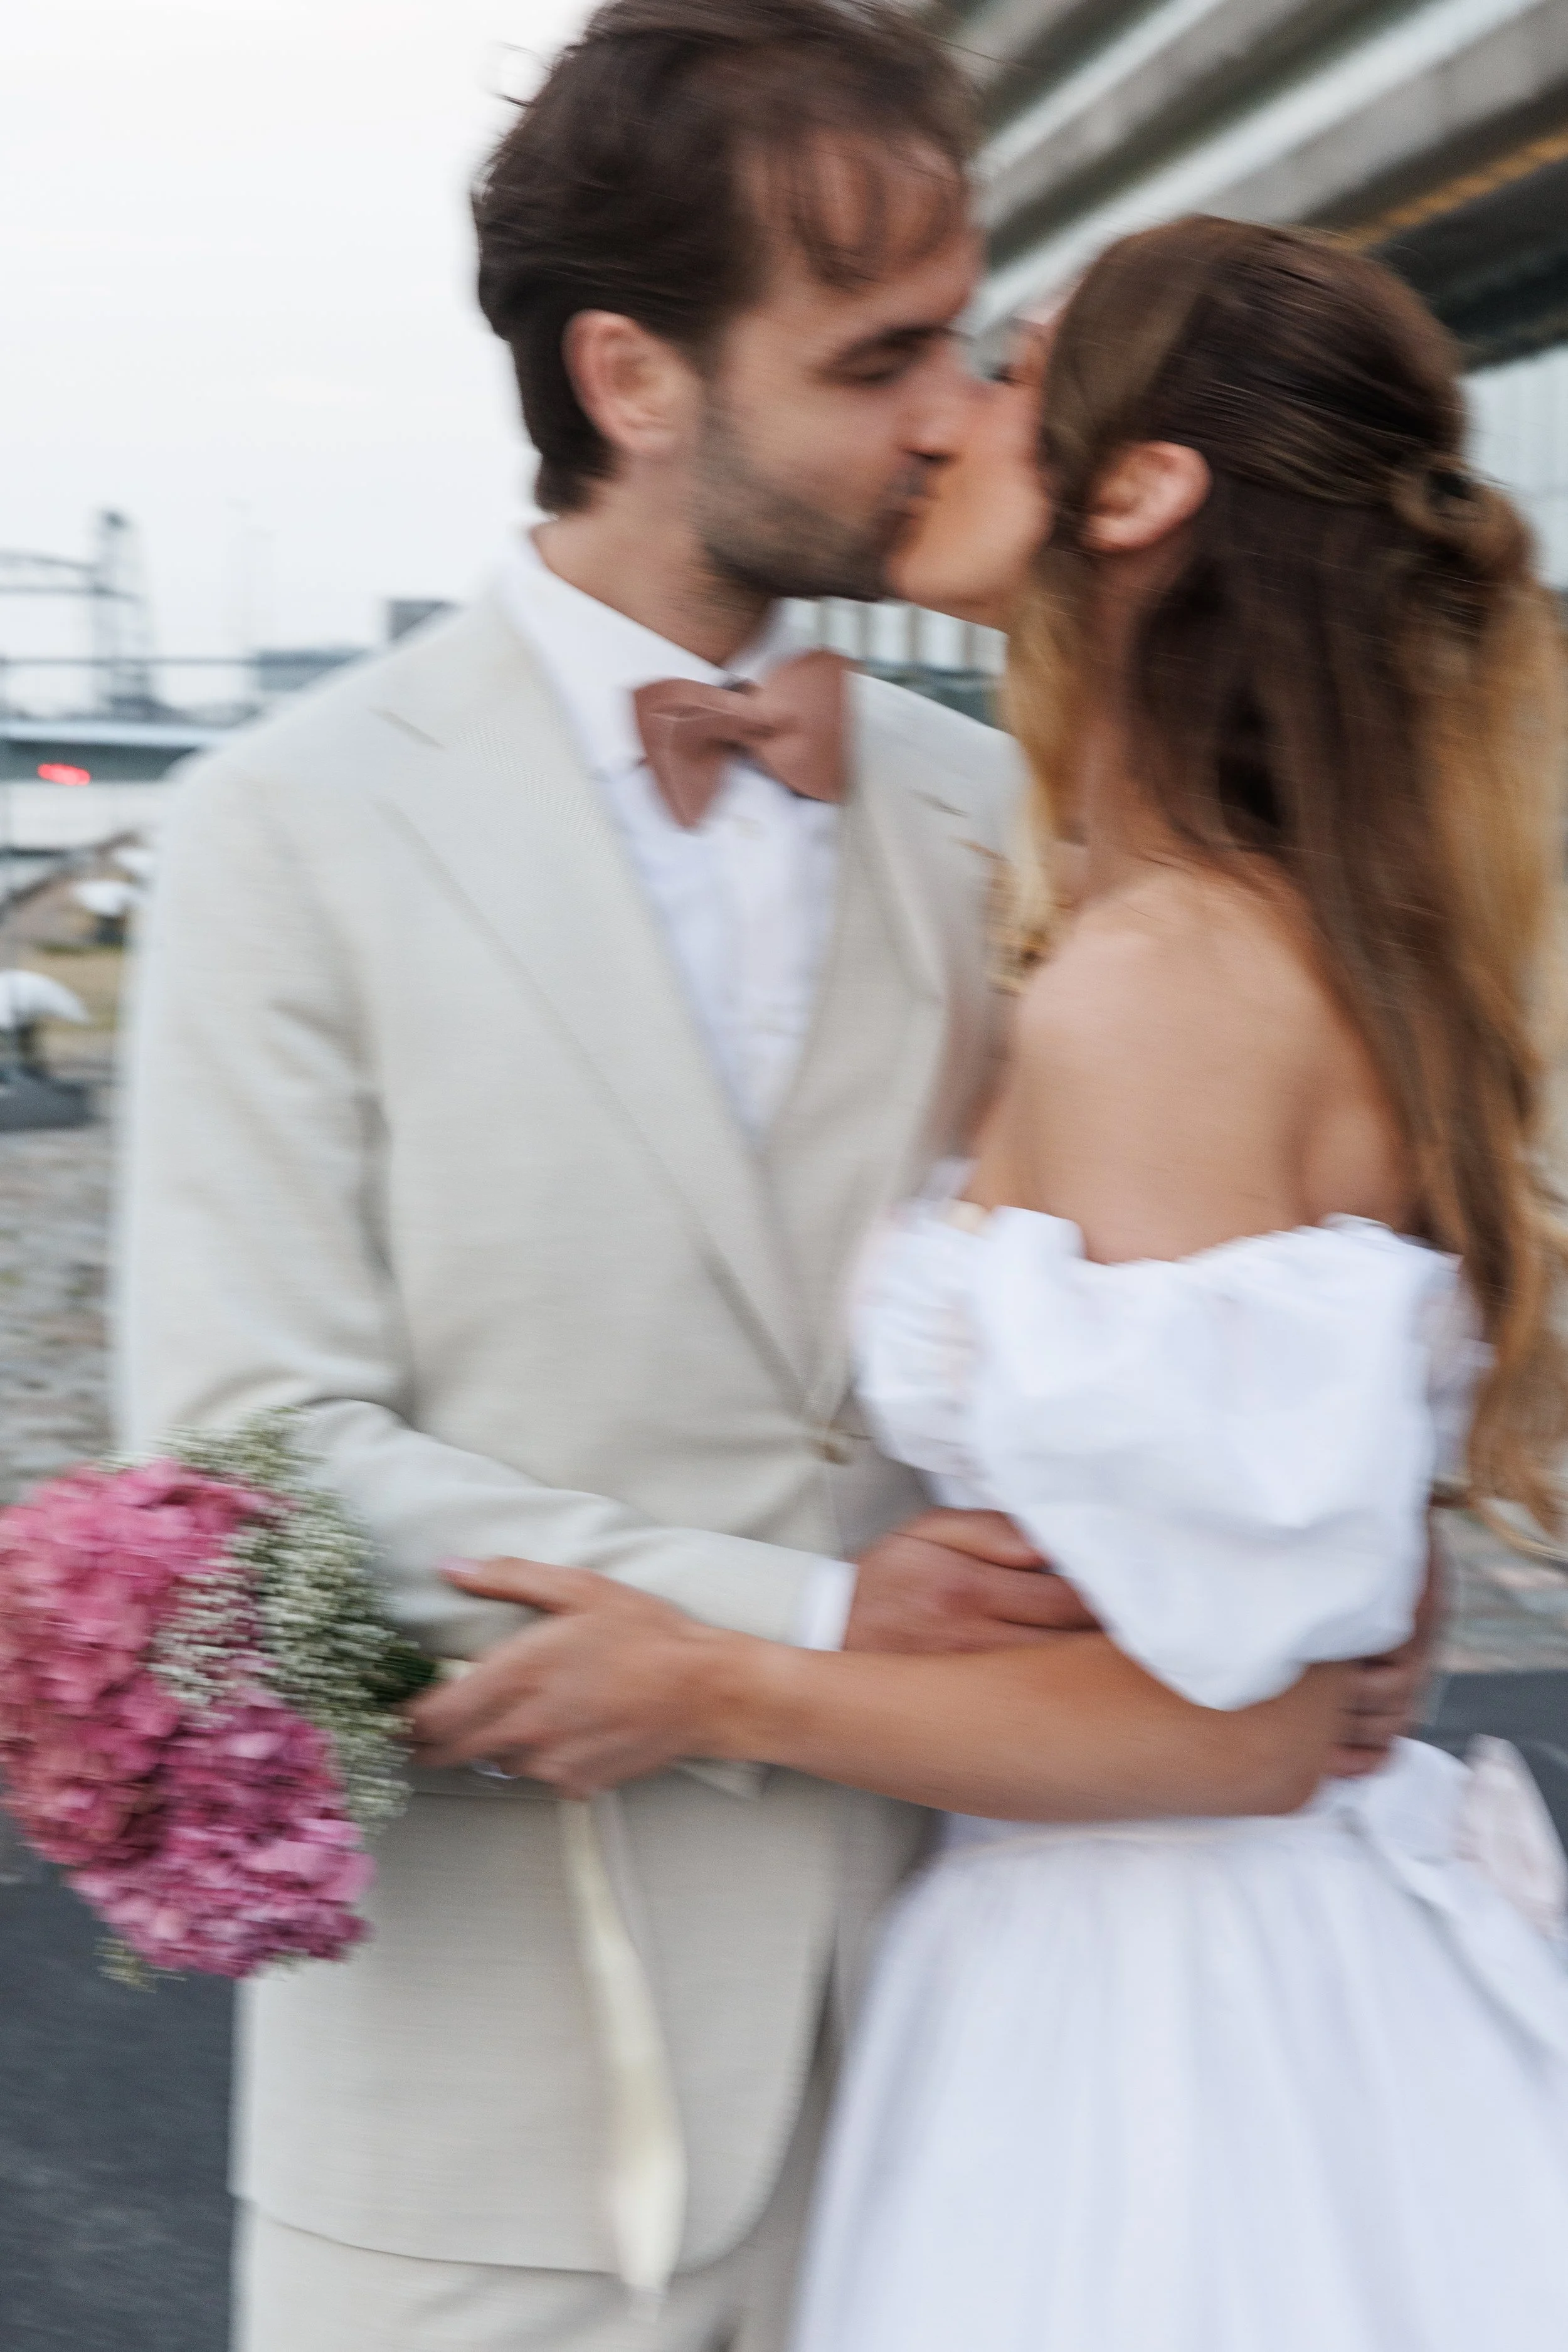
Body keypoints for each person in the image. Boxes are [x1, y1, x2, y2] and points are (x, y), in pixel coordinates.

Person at [122, 3, 1420, 2336]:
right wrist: (803, 1620)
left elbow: (1204, 1309)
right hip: (480, 2150)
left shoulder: (1009, 827)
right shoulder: (277, 833)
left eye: (963, 341)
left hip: (974, 2090)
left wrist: (1324, 1575)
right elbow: (251, 1462)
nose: (949, 412)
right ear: (634, 378)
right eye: (877, 356)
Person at [420, 218, 1568, 2349]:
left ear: (1139, 491)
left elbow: (1238, 1728)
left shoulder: (1163, 981)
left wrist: (713, 1681)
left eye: (1014, 370)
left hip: (1167, 2038)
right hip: (1134, 1954)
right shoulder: (1205, 921)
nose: (939, 411)